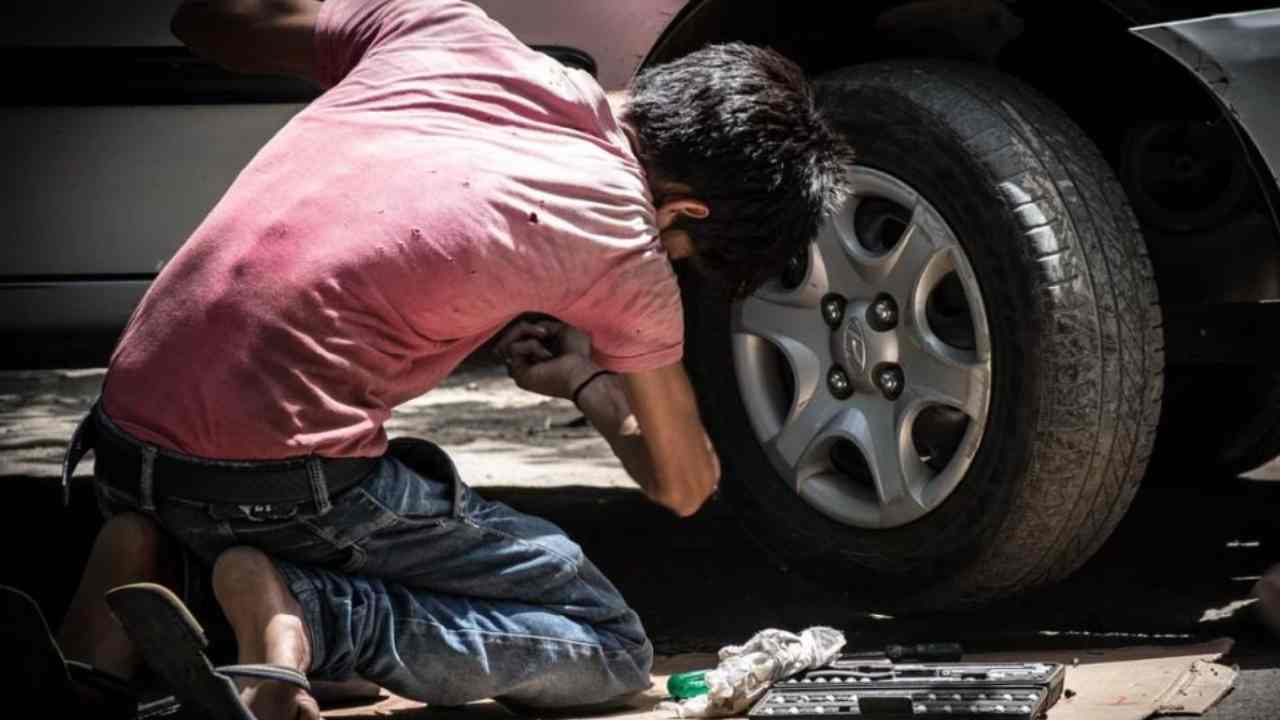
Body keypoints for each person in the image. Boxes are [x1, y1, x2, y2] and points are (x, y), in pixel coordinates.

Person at [57, 0, 854, 718]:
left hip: (122, 441)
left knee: (411, 471)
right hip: (270, 487)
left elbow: (209, 22)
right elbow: (683, 483)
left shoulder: (442, 28)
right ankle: (311, 612)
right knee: (607, 644)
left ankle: (154, 558)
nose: (669, 256)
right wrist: (587, 380)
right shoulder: (626, 243)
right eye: (684, 248)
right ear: (683, 209)